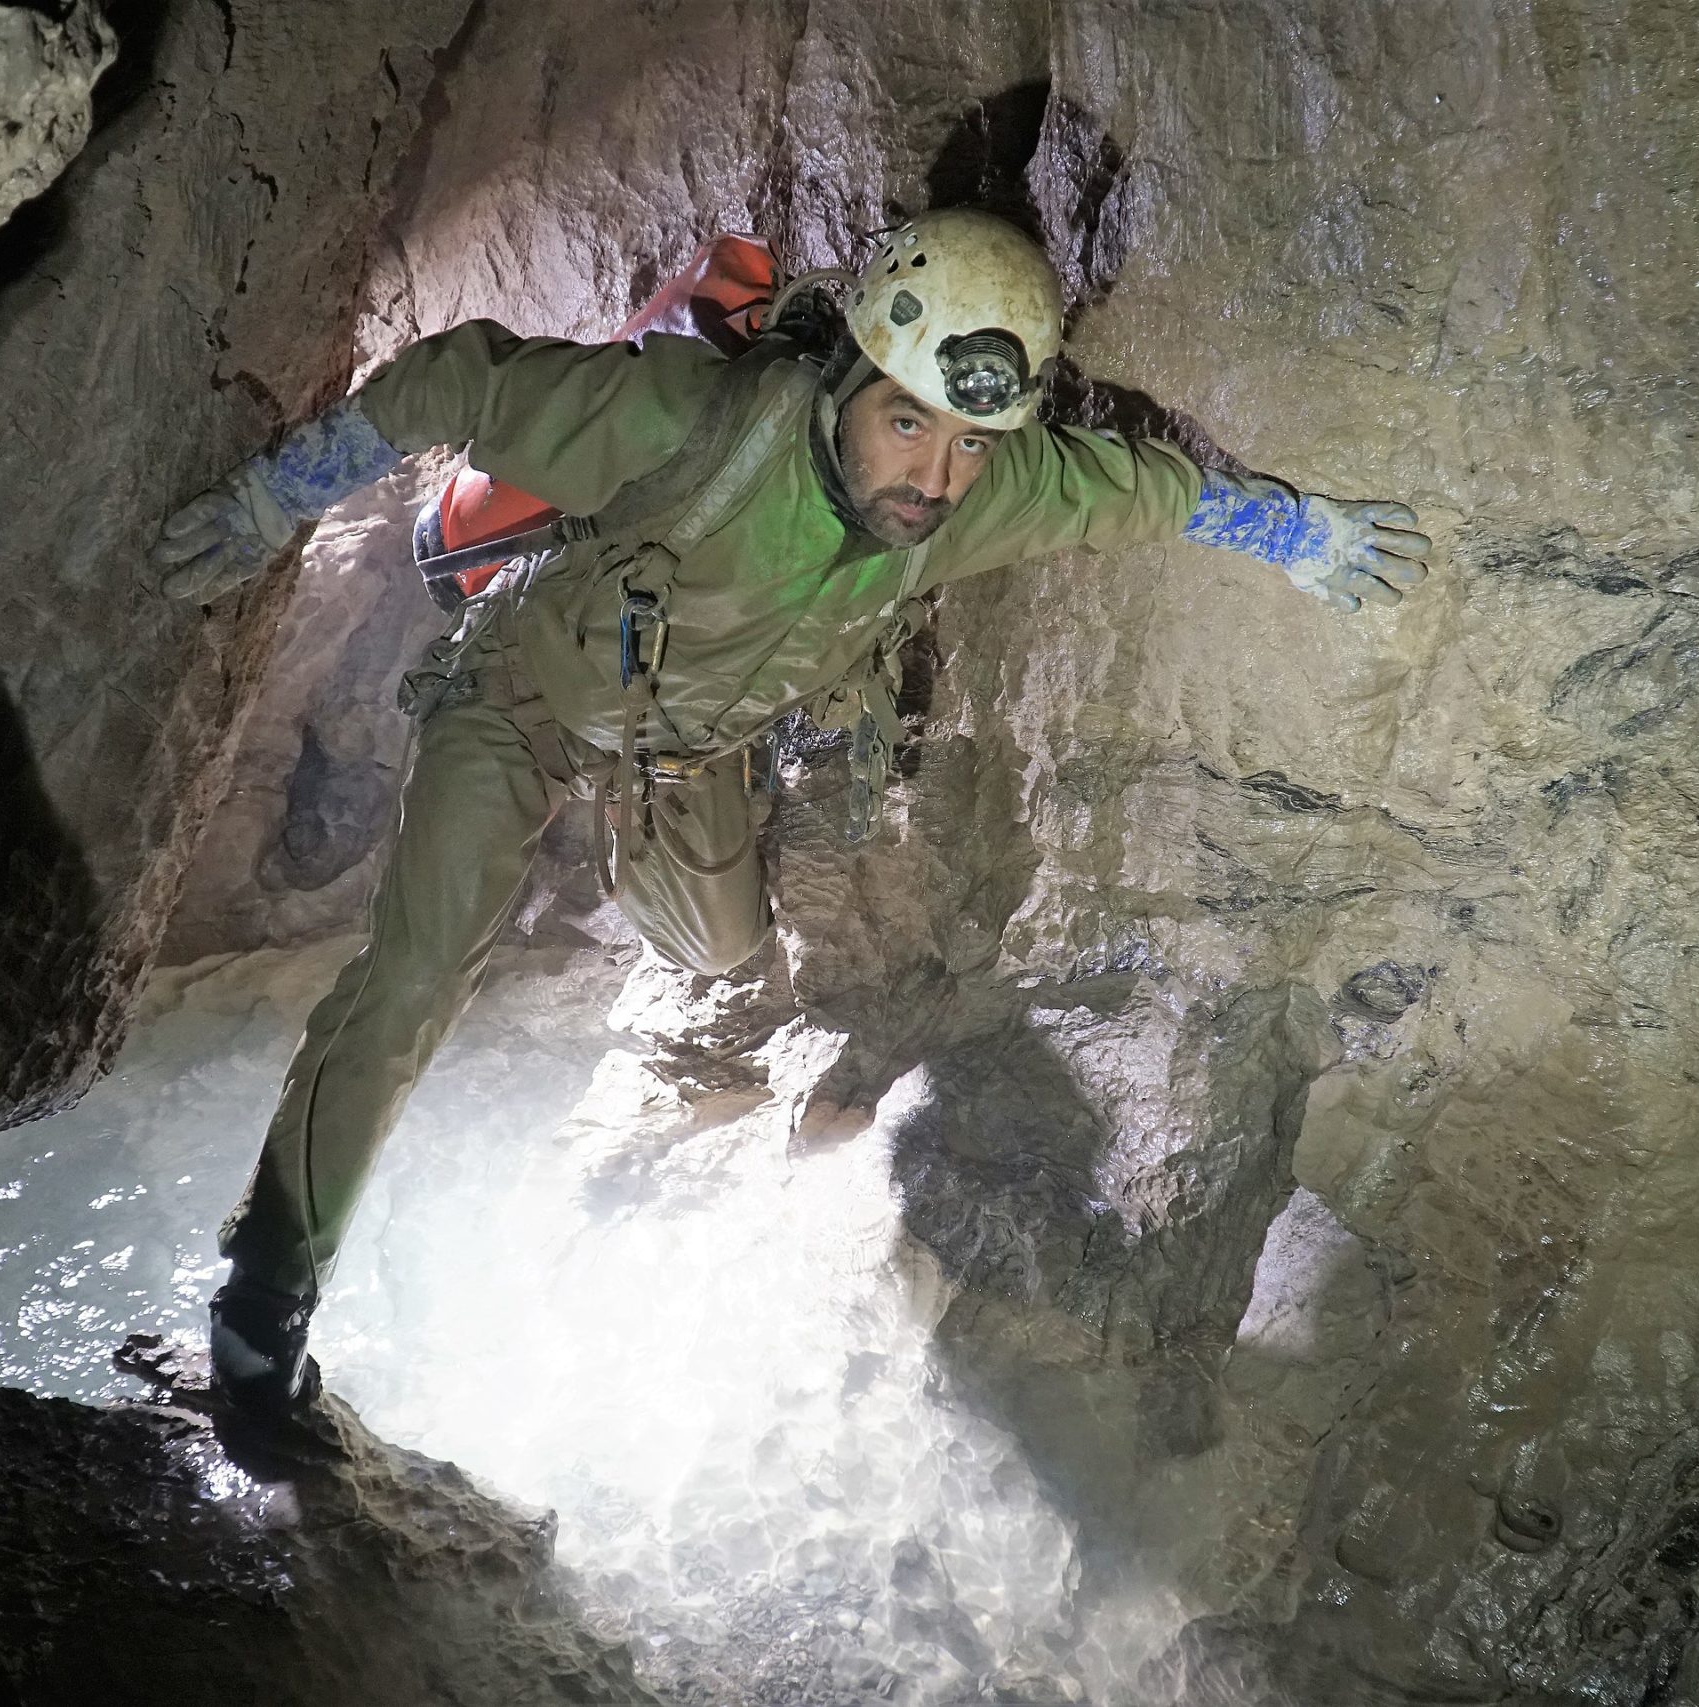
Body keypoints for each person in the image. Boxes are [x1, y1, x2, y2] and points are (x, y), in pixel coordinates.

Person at [152, 209, 1430, 1412]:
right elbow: (454, 380)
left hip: (685, 749)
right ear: (849, 382)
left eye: (969, 443)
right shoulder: (679, 420)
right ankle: (267, 1295)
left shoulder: (988, 491)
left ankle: (635, 861)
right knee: (418, 976)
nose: (933, 477)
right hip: (524, 699)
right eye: (908, 428)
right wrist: (275, 498)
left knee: (716, 950)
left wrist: (1290, 533)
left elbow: (1140, 488)